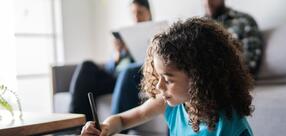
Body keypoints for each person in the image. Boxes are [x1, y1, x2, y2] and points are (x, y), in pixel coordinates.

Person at [81, 17, 254, 136]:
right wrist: (105, 127)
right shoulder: (170, 104)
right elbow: (121, 120)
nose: (159, 86)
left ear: (198, 78)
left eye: (169, 79)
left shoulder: (231, 125)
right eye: (159, 76)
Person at [69, 0, 151, 121]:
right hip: (114, 78)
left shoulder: (154, 34)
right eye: (133, 13)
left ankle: (113, 129)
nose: (136, 17)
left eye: (140, 12)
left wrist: (134, 51)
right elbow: (110, 68)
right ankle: (77, 124)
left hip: (132, 77)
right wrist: (117, 55)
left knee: (127, 71)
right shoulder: (125, 35)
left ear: (148, 13)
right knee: (87, 65)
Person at [203, 0, 263, 76]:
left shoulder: (244, 20)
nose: (207, 2)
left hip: (227, 80)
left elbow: (250, 63)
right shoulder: (198, 28)